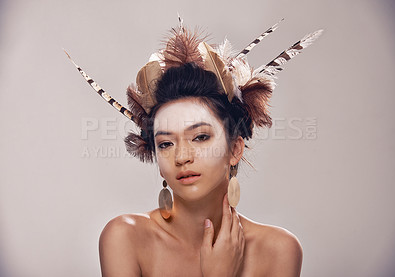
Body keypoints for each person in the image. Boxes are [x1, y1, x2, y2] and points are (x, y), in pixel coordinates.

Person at [65, 19, 322, 276]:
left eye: (200, 137)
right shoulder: (125, 238)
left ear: (235, 149)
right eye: (166, 143)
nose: (182, 157)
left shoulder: (279, 250)